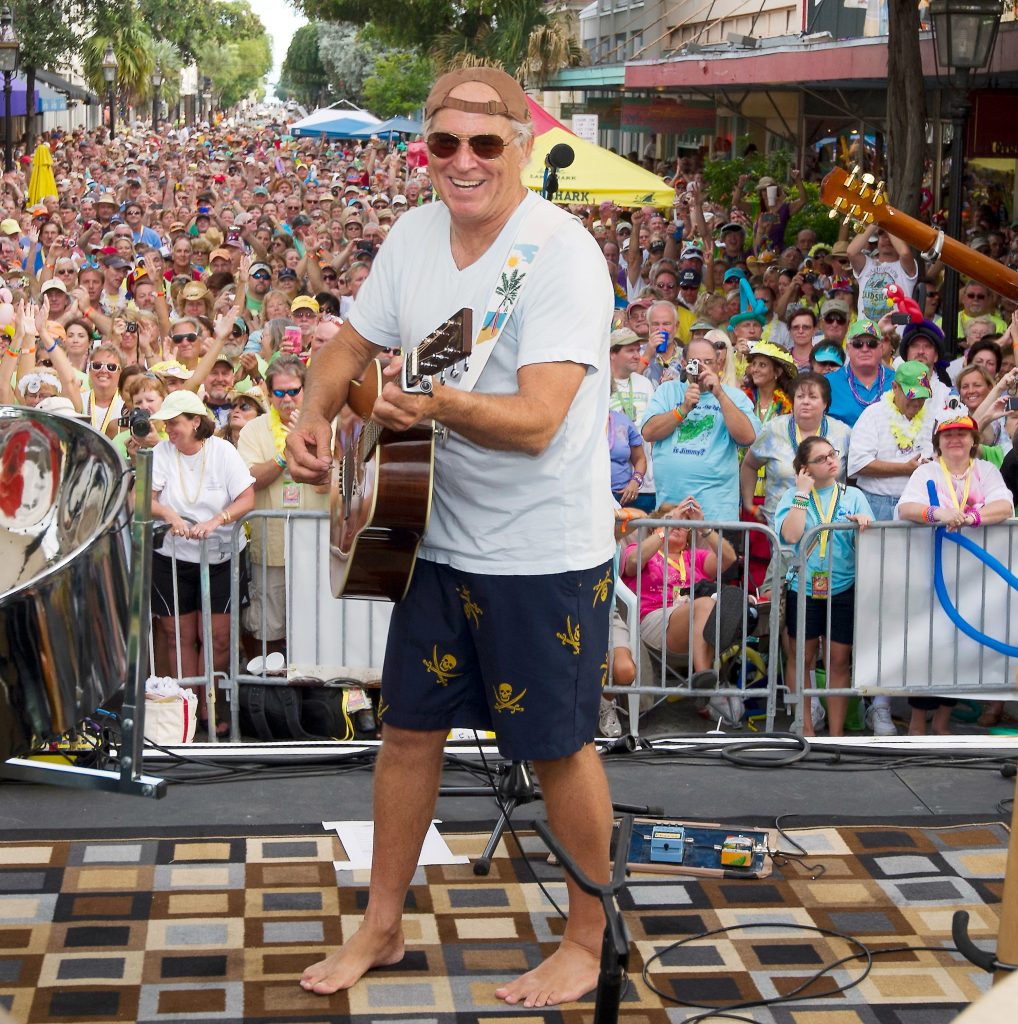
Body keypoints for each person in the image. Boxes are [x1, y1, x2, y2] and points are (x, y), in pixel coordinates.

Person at [286, 67, 616, 1007]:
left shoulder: (560, 252)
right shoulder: (414, 234)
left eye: (485, 143)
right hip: (434, 533)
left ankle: (587, 940)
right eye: (444, 144)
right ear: (423, 148)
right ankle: (381, 927)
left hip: (542, 548)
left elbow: (541, 418)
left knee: (558, 748)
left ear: (522, 142)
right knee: (408, 733)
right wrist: (314, 411)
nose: (463, 162)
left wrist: (432, 403)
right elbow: (350, 346)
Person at [896, 413, 1014, 734]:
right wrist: (938, 512)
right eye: (948, 435)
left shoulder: (986, 470)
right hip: (930, 574)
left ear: (974, 440)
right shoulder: (927, 472)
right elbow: (907, 508)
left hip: (974, 577)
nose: (955, 440)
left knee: (959, 647)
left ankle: (943, 723)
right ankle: (917, 723)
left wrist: (971, 517)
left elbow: (1004, 506)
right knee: (928, 647)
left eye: (962, 434)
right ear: (938, 442)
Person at [149, 390, 255, 733]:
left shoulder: (222, 451)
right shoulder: (161, 452)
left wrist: (217, 520)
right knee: (178, 636)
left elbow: (246, 497)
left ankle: (210, 706)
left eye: (174, 422)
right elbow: (147, 500)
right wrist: (169, 515)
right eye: (165, 423)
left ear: (196, 421)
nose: (168, 429)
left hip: (221, 554)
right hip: (173, 556)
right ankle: (188, 711)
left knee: (219, 638)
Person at [776, 436, 873, 736]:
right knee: (801, 657)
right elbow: (790, 535)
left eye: (832, 454)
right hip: (803, 588)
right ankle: (805, 727)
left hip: (842, 586)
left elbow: (871, 539)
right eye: (821, 458)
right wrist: (802, 494)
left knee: (839, 659)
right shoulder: (791, 496)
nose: (831, 461)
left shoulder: (853, 495)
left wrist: (864, 525)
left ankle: (836, 733)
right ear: (804, 469)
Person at [237, 357, 331, 658]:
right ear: (268, 392)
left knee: (319, 624)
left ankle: (315, 698)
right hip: (272, 547)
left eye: (293, 391)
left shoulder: (326, 426)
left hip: (318, 549)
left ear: (305, 389)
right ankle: (274, 699)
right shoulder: (253, 430)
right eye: (279, 393)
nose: (287, 399)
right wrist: (284, 452)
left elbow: (337, 479)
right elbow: (248, 480)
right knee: (269, 626)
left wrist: (315, 452)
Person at [641, 336, 760, 520]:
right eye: (696, 362)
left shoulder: (734, 396)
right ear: (683, 364)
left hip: (716, 512)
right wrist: (682, 410)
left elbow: (747, 437)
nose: (703, 368)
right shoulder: (668, 391)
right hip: (671, 510)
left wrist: (719, 394)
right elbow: (649, 432)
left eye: (708, 362)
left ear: (719, 365)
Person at [620, 497, 737, 681]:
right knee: (707, 604)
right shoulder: (640, 550)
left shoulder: (694, 557)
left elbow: (729, 559)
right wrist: (666, 528)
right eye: (670, 519)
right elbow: (633, 562)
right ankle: (703, 676)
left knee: (726, 600)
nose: (676, 525)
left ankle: (704, 684)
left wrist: (703, 527)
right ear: (654, 527)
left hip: (696, 622)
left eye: (682, 524)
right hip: (655, 620)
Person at [848, 361, 936, 522]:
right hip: (877, 504)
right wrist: (904, 469)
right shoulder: (873, 414)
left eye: (923, 396)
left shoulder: (929, 418)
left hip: (917, 504)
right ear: (895, 387)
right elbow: (858, 464)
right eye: (912, 395)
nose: (917, 402)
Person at [827, 319, 893, 427]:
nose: (865, 349)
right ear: (848, 348)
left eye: (871, 344)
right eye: (858, 344)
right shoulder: (828, 383)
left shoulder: (897, 382)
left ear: (881, 348)